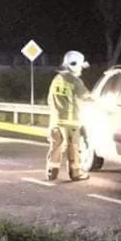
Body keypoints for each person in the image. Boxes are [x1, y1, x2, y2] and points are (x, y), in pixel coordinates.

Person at [46, 50, 92, 182]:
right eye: (80, 66)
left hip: (55, 121)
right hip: (70, 122)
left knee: (56, 147)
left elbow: (49, 99)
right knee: (73, 147)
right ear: (75, 64)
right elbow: (86, 97)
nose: (81, 69)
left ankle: (51, 172)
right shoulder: (74, 81)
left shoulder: (56, 80)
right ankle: (75, 173)